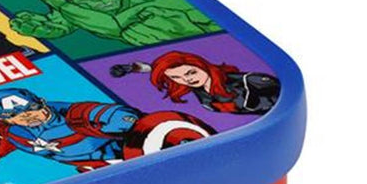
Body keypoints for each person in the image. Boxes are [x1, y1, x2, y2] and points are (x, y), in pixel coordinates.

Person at [0, 86, 214, 175]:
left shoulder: (76, 115)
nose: (28, 116)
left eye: (32, 108)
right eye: (15, 115)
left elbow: (112, 115)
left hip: (127, 160)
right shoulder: (9, 131)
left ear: (42, 103)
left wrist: (128, 124)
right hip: (91, 173)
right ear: (4, 119)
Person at [7, 0, 218, 47]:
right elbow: (64, 23)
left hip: (205, 32)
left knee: (141, 27)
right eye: (87, 1)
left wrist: (62, 5)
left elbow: (113, 25)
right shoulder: (77, 10)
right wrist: (50, 26)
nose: (100, 3)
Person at [111, 50, 280, 115]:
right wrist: (134, 68)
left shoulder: (248, 80)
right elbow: (163, 69)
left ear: (202, 65)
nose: (187, 80)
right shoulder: (202, 94)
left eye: (191, 72)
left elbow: (283, 94)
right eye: (177, 78)